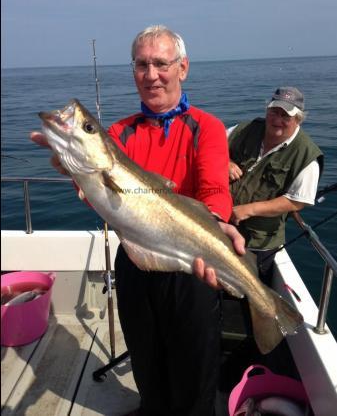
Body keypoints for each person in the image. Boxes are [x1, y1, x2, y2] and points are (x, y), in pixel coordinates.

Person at [31, 25, 245, 416]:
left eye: (161, 64)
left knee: (195, 367)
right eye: (142, 65)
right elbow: (106, 202)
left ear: (183, 68)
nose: (151, 75)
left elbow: (215, 190)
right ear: (133, 72)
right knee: (147, 360)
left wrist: (214, 225)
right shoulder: (117, 133)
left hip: (191, 266)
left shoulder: (206, 127)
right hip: (134, 259)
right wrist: (78, 174)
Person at [227, 86, 324, 285]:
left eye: (285, 116)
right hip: (222, 222)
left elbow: (296, 202)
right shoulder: (246, 129)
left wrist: (249, 210)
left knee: (248, 290)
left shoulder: (307, 155)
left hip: (258, 241)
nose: (277, 120)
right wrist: (223, 161)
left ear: (298, 119)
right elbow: (213, 142)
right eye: (274, 112)